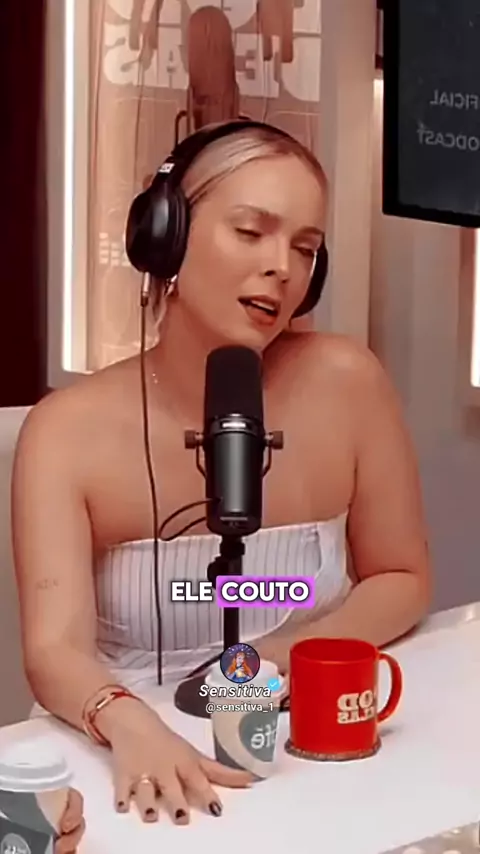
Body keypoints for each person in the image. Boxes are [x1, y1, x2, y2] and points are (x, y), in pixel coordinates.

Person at [12, 122, 432, 828]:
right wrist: (129, 722)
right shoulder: (65, 431)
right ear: (167, 236)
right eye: (250, 232)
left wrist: (282, 657)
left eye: (305, 249)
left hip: (300, 743)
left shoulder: (348, 383)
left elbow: (401, 576)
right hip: (122, 750)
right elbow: (54, 649)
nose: (282, 268)